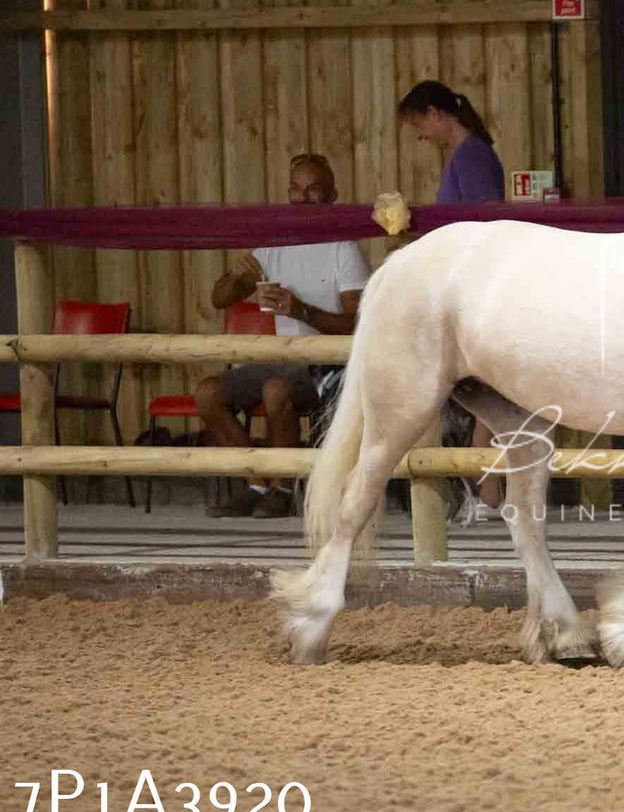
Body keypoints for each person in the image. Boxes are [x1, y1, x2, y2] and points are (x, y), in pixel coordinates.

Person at [198, 153, 370, 518]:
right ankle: (257, 483)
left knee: (276, 389)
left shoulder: (344, 248)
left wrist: (302, 311)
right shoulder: (276, 244)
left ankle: (284, 488)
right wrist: (236, 276)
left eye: (313, 190)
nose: (302, 198)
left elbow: (358, 322)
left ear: (332, 196)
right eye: (295, 189)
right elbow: (219, 299)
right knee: (208, 393)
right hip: (283, 360)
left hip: (330, 365)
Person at [398, 80, 506, 522]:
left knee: (488, 393)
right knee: (486, 394)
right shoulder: (470, 155)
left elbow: (482, 225)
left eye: (420, 125)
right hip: (468, 281)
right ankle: (487, 492)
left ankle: (487, 491)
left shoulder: (472, 156)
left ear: (436, 114)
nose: (422, 136)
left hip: (473, 285)